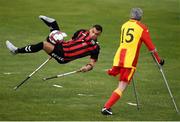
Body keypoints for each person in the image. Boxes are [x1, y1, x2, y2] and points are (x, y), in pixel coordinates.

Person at [101, 8, 164, 115]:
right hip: (130, 60)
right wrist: (159, 60)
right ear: (141, 17)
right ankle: (106, 107)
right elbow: (151, 47)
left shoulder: (124, 25)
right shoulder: (142, 27)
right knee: (122, 86)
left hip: (119, 57)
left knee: (120, 80)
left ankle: (112, 71)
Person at [6, 15, 103, 72]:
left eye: (96, 34)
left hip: (64, 56)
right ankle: (53, 25)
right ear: (90, 29)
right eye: (93, 32)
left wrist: (87, 67)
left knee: (44, 44)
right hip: (63, 47)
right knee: (54, 38)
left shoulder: (95, 47)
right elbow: (71, 41)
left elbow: (92, 63)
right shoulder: (81, 32)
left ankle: (16, 50)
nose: (93, 35)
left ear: (99, 35)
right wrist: (53, 53)